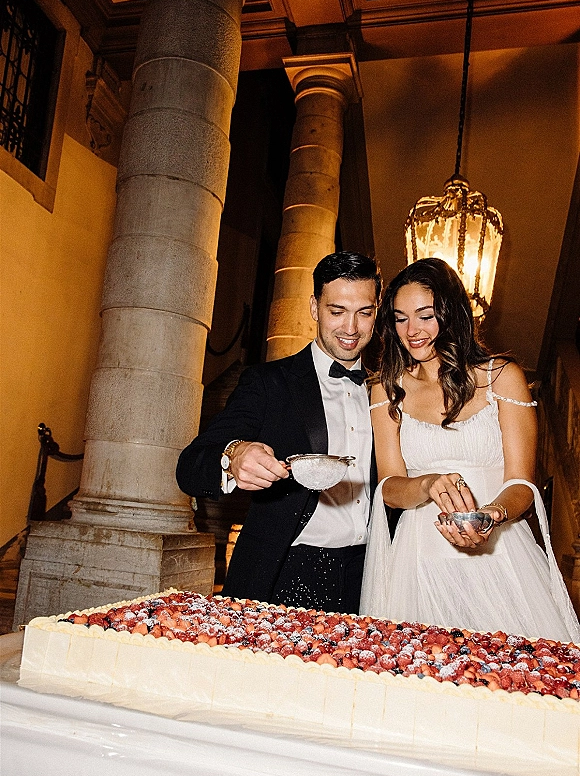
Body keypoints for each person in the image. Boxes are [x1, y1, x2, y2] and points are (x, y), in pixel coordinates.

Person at [360, 257, 580, 643]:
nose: (411, 331)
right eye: (400, 318)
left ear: (451, 312)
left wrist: (490, 516)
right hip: (418, 559)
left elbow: (522, 484)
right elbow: (390, 487)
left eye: (425, 315)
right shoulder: (386, 388)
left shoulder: (502, 377)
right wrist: (426, 484)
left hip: (500, 554)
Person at [176, 251, 381, 613]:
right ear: (315, 307)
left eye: (363, 313)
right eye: (337, 311)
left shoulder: (389, 388)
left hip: (370, 576)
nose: (351, 328)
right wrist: (233, 455)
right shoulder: (269, 383)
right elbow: (190, 466)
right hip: (283, 571)